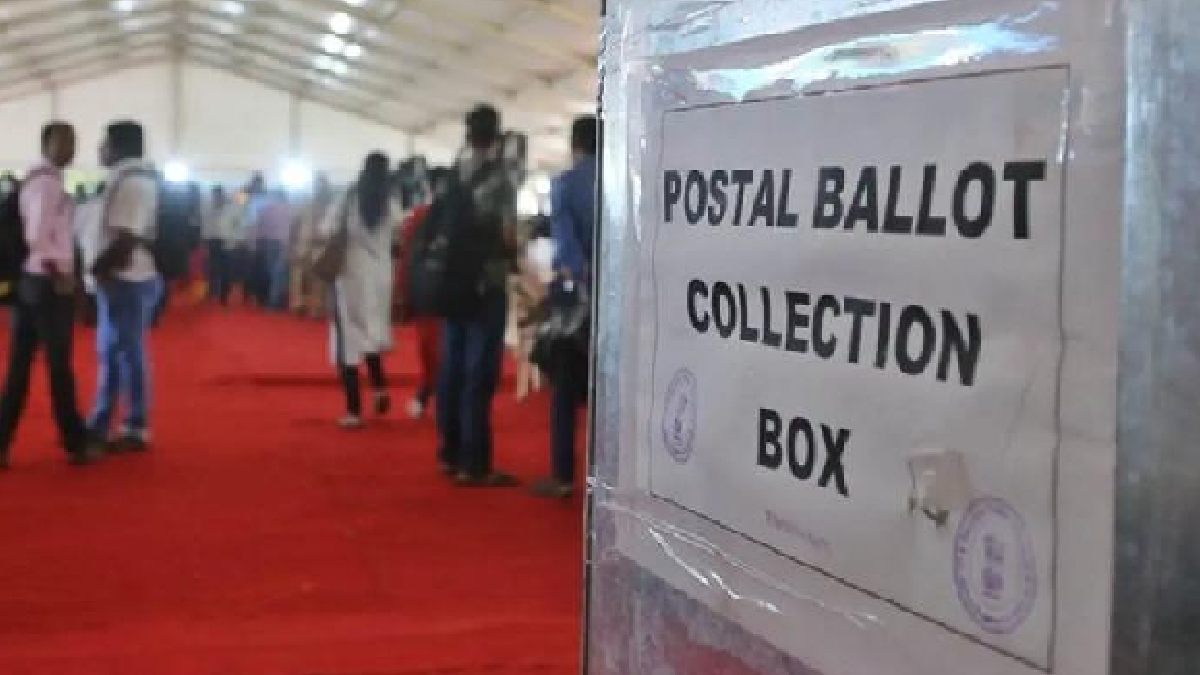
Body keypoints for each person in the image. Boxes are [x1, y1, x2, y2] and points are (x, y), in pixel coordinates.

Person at [0, 122, 96, 468]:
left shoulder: (42, 180)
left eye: (73, 141)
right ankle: (75, 440)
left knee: (20, 367)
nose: (70, 148)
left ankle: (2, 440)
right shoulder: (45, 184)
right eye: (63, 142)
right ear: (46, 145)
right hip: (47, 283)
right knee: (58, 366)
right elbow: (37, 236)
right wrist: (60, 275)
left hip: (32, 281)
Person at [437, 104, 520, 487]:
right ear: (496, 135)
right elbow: (507, 234)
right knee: (479, 372)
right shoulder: (501, 179)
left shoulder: (454, 172)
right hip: (487, 282)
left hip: (453, 280)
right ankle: (475, 462)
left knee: (451, 366)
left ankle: (450, 452)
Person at [532, 115, 598, 499]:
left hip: (577, 298)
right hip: (618, 297)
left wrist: (577, 283)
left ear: (575, 145)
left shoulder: (564, 185)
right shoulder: (621, 181)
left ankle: (563, 476)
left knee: (565, 387)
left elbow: (567, 248)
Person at [88, 120, 162, 451]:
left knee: (127, 354)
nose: (100, 149)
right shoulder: (129, 178)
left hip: (128, 277)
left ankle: (134, 425)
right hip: (124, 277)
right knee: (115, 353)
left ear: (118, 146)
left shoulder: (133, 182)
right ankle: (105, 421)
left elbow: (127, 236)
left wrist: (100, 268)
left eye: (104, 142)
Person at [322, 153, 396, 428]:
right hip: (380, 276)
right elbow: (398, 230)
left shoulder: (348, 197)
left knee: (348, 341)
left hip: (351, 274)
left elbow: (326, 228)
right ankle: (380, 388)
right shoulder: (390, 201)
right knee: (371, 334)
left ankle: (353, 410)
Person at [396, 164, 444, 419]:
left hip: (429, 290)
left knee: (430, 347)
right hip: (438, 291)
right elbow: (407, 255)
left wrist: (403, 288)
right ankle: (430, 393)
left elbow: (407, 256)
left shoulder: (419, 216)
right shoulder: (420, 216)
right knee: (433, 347)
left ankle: (428, 393)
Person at [290, 173, 334, 318]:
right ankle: (298, 304)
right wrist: (292, 244)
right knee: (298, 278)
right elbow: (294, 224)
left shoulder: (332, 207)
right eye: (317, 186)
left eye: (322, 186)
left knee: (319, 281)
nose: (319, 189)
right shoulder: (304, 204)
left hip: (321, 246)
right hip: (303, 245)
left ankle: (317, 307)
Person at [202, 186, 243, 306]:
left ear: (222, 195)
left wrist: (235, 239)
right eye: (214, 195)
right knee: (213, 268)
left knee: (226, 270)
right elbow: (206, 224)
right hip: (213, 240)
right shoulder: (209, 208)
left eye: (217, 195)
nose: (216, 197)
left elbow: (239, 225)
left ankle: (224, 295)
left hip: (227, 242)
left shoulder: (232, 208)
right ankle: (213, 291)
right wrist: (205, 238)